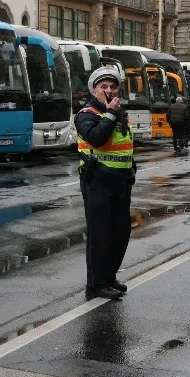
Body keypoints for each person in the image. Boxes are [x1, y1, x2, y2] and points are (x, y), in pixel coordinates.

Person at [75, 66, 136, 301]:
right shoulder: (86, 114)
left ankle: (109, 277)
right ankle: (96, 283)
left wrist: (131, 170)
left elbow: (125, 147)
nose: (109, 91)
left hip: (121, 181)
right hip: (97, 180)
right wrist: (110, 115)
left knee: (120, 233)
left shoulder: (121, 114)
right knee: (100, 234)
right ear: (94, 91)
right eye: (104, 87)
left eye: (113, 87)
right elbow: (97, 139)